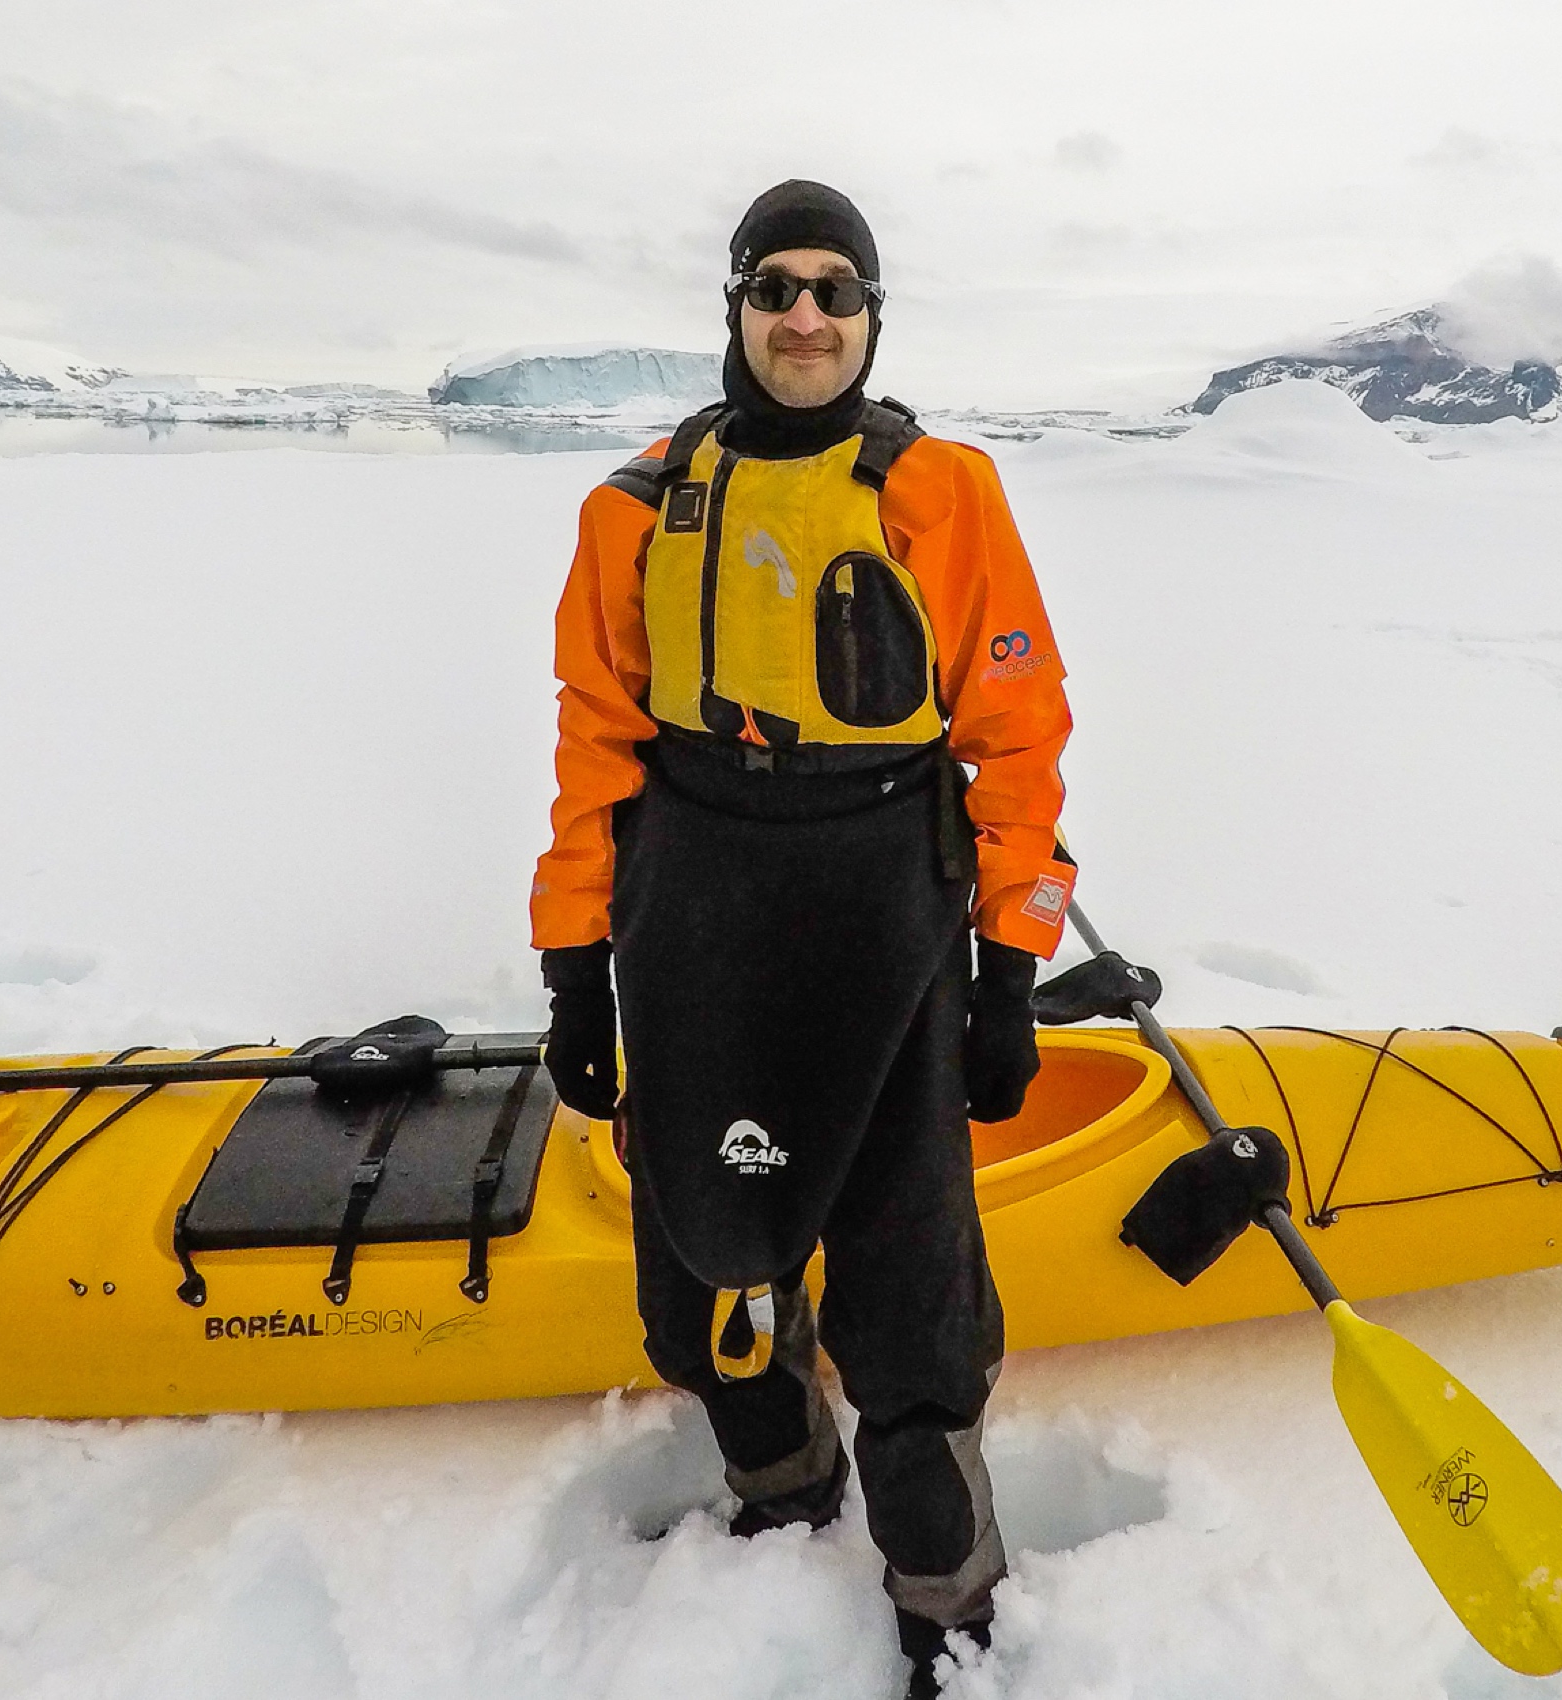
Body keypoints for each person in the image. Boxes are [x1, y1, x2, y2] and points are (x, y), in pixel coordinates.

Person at [529, 179, 1075, 1696]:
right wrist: (578, 964)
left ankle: (944, 1601)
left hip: (882, 899)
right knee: (704, 1257)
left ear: (873, 316)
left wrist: (1010, 968)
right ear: (737, 310)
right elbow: (596, 744)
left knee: (909, 1291)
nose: (806, 317)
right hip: (695, 904)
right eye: (777, 288)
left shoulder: (940, 491)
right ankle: (779, 1492)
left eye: (838, 291)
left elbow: (1016, 740)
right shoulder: (634, 506)